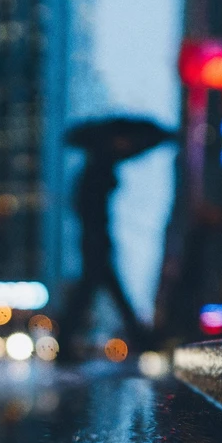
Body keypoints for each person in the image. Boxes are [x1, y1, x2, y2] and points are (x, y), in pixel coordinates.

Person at [57, 118, 176, 362]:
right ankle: (142, 340)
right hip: (96, 240)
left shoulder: (99, 165)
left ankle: (141, 339)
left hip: (96, 239)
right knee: (96, 292)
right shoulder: (97, 169)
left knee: (97, 291)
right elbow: (88, 211)